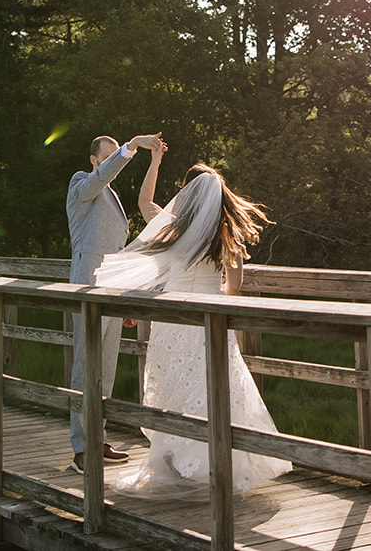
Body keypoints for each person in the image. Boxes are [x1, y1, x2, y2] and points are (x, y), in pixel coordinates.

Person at [94, 153, 292, 497]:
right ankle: (212, 463)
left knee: (174, 388)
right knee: (215, 389)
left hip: (171, 321)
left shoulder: (170, 227)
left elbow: (143, 202)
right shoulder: (226, 235)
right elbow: (234, 287)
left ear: (185, 194)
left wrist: (154, 161)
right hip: (209, 319)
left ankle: (175, 459)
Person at [67, 131, 165, 475]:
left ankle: (98, 438)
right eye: (106, 158)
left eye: (115, 156)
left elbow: (118, 253)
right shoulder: (82, 184)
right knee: (86, 366)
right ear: (95, 160)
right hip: (89, 289)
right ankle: (81, 448)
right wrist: (131, 147)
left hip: (112, 290)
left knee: (106, 369)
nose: (111, 163)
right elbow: (101, 178)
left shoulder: (111, 195)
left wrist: (126, 297)